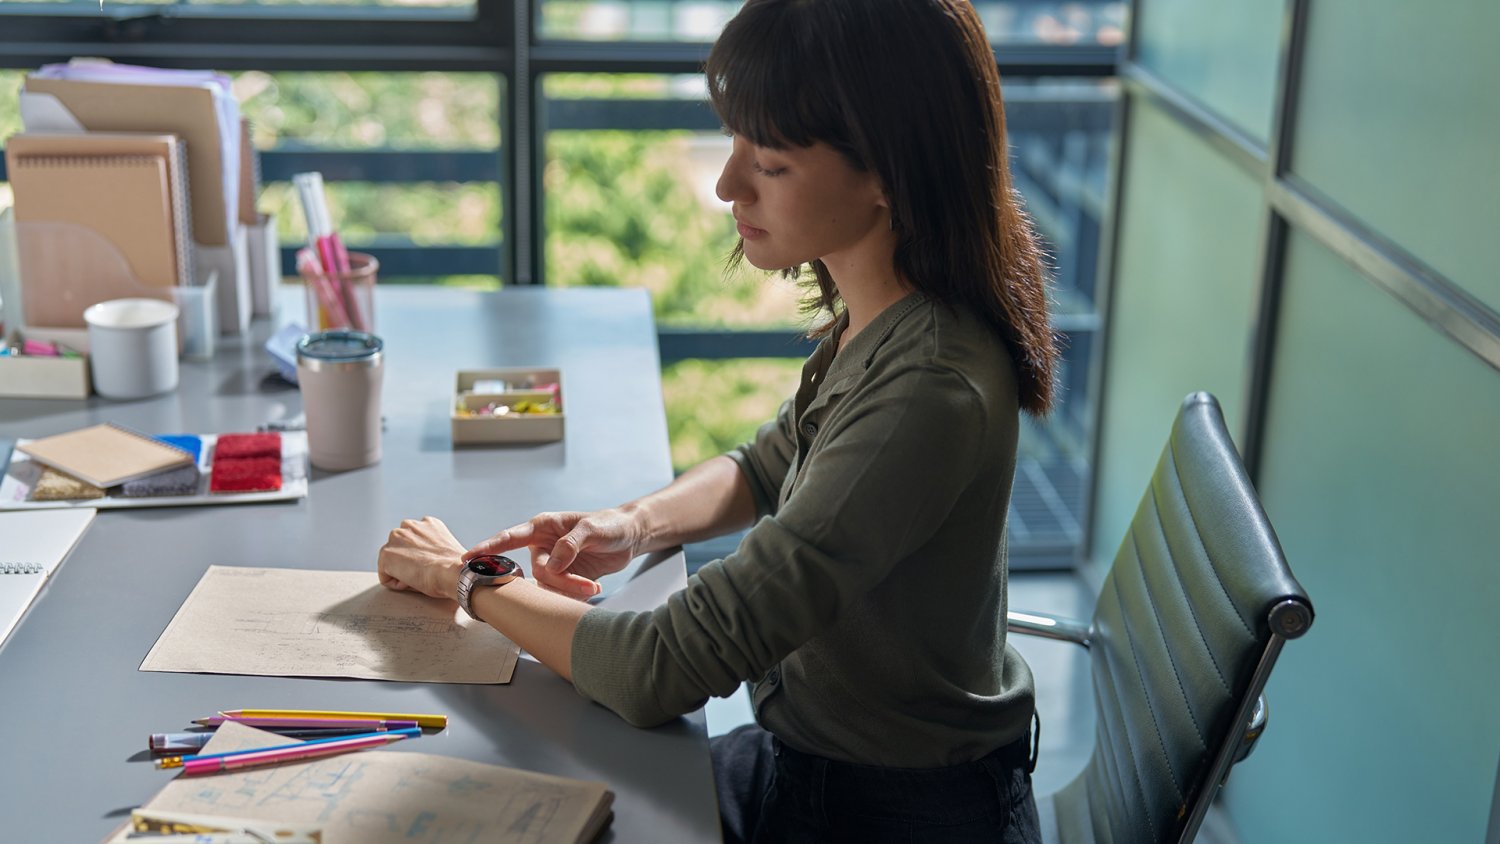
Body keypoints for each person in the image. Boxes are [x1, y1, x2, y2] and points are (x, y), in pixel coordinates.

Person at [377, 0, 1058, 840]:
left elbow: (662, 667)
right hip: (812, 759)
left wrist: (467, 580)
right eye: (734, 142)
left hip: (886, 812)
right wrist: (632, 523)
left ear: (889, 172)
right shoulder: (888, 313)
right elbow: (769, 463)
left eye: (768, 162)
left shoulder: (929, 388)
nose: (726, 185)